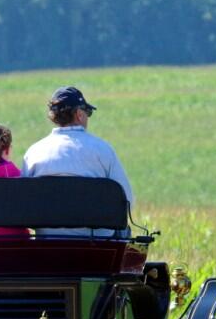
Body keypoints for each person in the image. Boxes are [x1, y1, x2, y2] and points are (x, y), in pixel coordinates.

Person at [22, 86, 133, 237]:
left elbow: (25, 205)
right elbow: (126, 201)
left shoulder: (33, 153)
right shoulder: (103, 150)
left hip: (48, 244)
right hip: (97, 246)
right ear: (79, 114)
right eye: (88, 113)